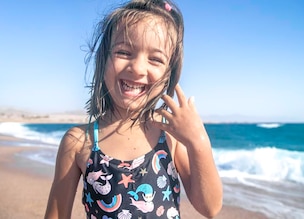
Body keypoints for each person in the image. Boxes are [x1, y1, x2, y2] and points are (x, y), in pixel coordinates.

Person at [45, 0, 223, 218]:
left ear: (169, 73)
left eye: (155, 59)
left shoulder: (169, 134)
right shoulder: (78, 142)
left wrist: (198, 141)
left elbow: (209, 207)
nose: (138, 68)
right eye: (124, 52)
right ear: (104, 58)